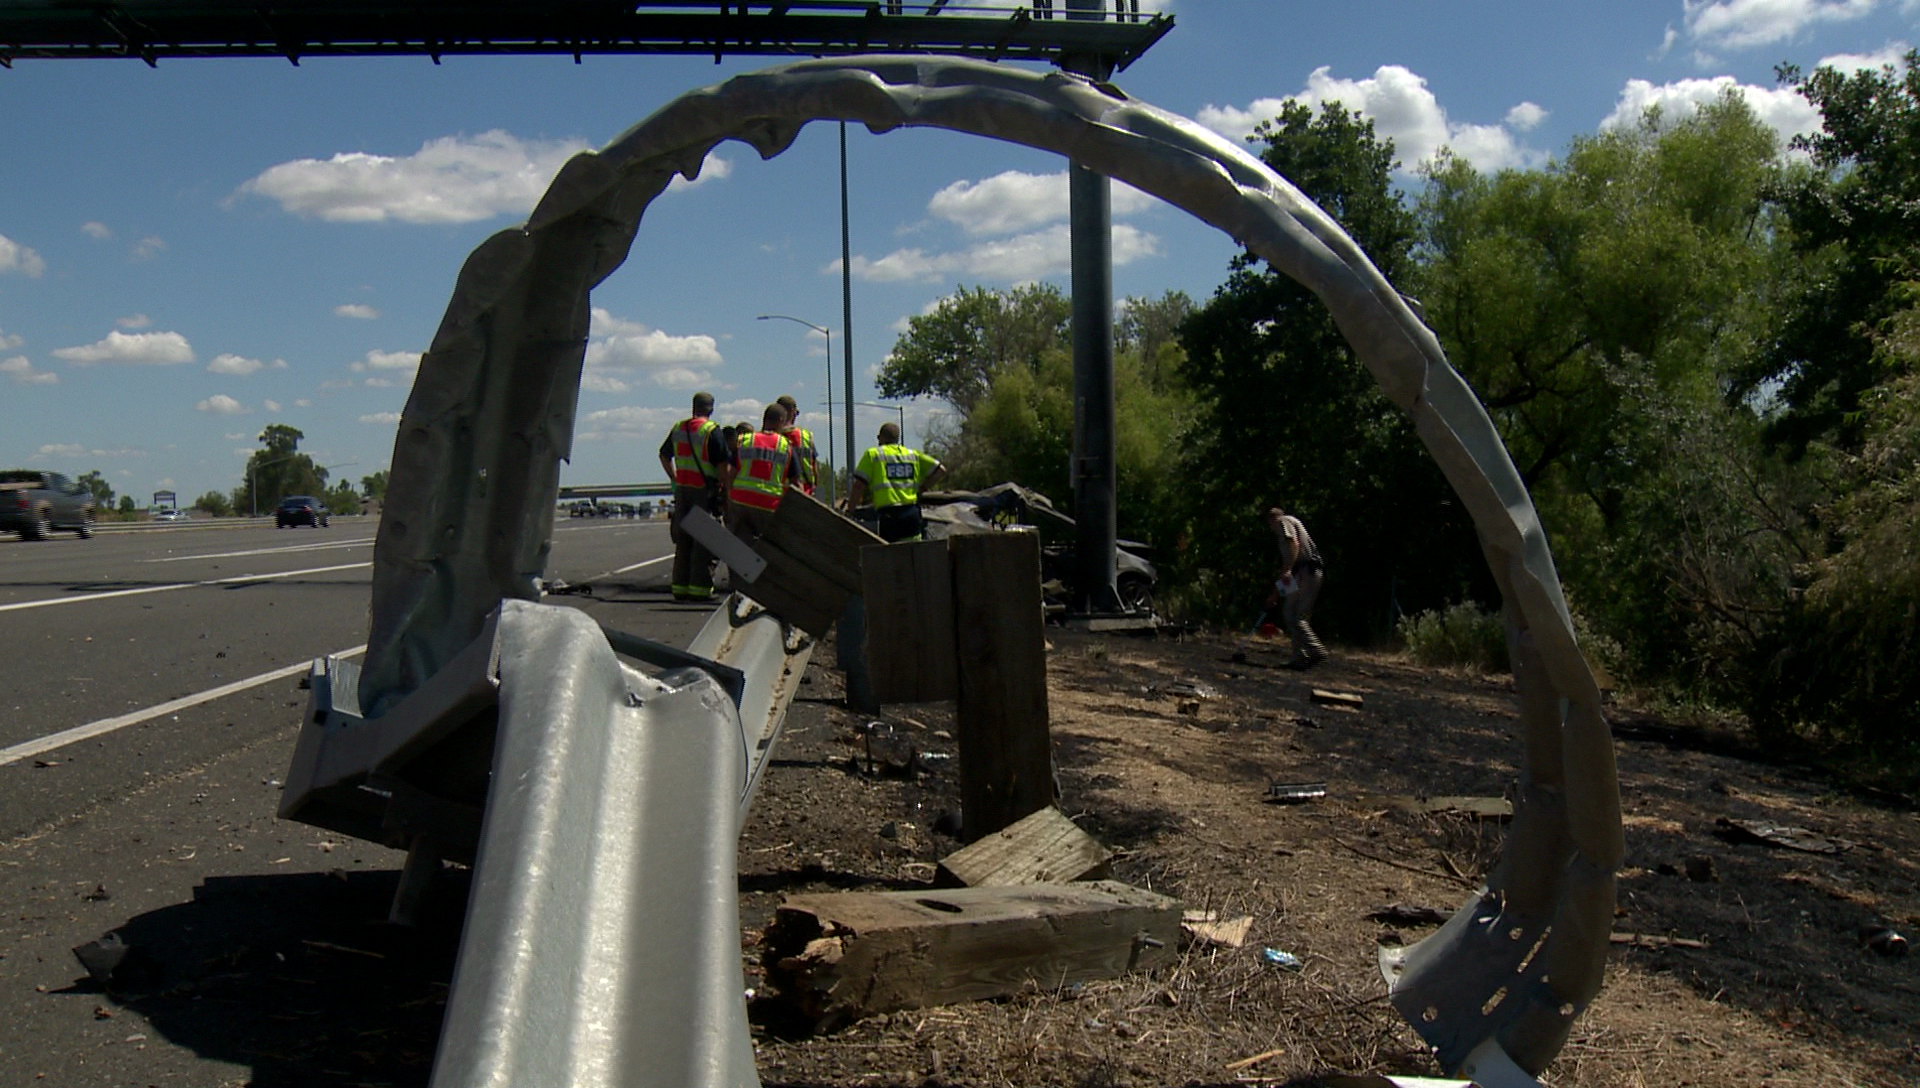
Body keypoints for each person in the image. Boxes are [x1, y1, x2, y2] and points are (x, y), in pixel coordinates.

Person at [657, 392, 735, 602]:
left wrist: (674, 478)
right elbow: (723, 466)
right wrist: (726, 491)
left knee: (684, 541)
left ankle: (680, 587)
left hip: (683, 491)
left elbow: (664, 455)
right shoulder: (711, 431)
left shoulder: (679, 428)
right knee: (704, 542)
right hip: (703, 491)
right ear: (711, 409)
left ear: (693, 407)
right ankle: (700, 589)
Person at [849, 422, 945, 543]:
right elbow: (940, 470)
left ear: (881, 437)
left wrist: (850, 511)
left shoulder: (873, 455)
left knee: (891, 552)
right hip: (911, 513)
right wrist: (922, 488)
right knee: (912, 550)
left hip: (889, 516)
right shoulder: (912, 455)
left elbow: (859, 486)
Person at [726, 403, 803, 546]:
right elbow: (797, 483)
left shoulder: (745, 440)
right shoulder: (785, 446)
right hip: (769, 505)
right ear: (781, 421)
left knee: (736, 544)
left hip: (741, 500)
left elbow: (730, 472)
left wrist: (730, 495)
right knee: (765, 547)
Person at [1265, 506, 1327, 668]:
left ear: (1271, 520)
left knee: (1294, 615)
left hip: (1305, 570)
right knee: (1293, 612)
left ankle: (1316, 650)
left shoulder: (1283, 522)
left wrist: (1288, 569)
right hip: (1304, 572)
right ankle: (1298, 657)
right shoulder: (1294, 522)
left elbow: (1293, 543)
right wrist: (1275, 595)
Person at [775, 394, 819, 495]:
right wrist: (813, 486)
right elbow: (815, 469)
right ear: (792, 411)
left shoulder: (773, 437)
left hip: (779, 492)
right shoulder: (806, 436)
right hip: (805, 493)